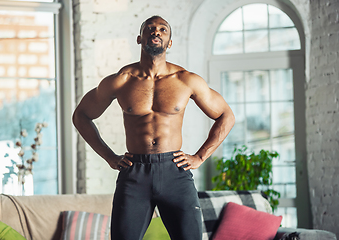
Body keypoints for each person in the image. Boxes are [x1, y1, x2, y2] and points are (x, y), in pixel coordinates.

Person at [72, 15, 235, 240]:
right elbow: (81, 115)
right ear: (140, 38)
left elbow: (226, 115)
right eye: (149, 28)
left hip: (175, 172)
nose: (156, 32)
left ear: (169, 42)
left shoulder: (186, 80)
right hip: (134, 173)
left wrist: (200, 156)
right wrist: (109, 157)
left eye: (162, 30)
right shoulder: (121, 80)